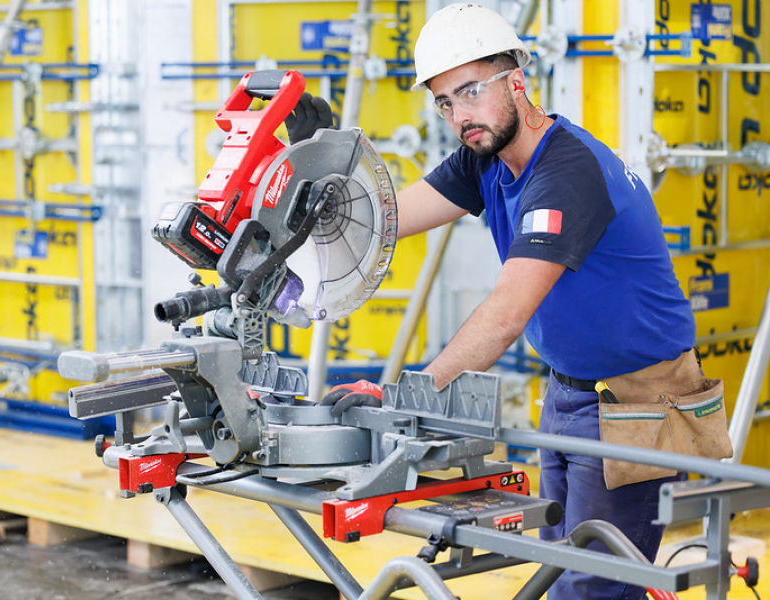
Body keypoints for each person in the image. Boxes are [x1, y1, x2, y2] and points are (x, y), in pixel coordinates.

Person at [298, 4, 697, 598]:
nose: (459, 116)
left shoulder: (567, 170)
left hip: (637, 404)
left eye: (469, 92)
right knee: (557, 568)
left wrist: (409, 395)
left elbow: (508, 312)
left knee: (589, 589)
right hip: (569, 393)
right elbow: (385, 220)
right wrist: (310, 181)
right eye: (444, 103)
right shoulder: (483, 156)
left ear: (517, 81)